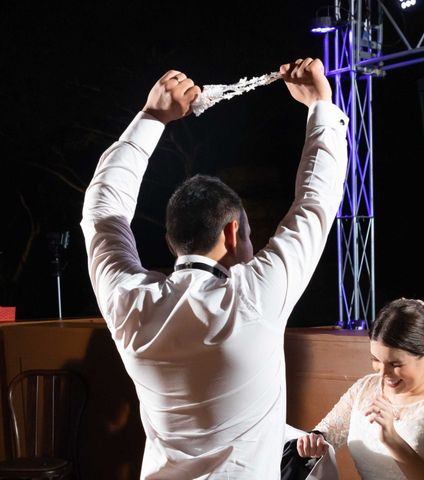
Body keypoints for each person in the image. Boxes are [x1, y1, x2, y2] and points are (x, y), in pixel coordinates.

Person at [80, 57, 348, 479]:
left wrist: (151, 118)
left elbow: (101, 211)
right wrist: (320, 105)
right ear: (232, 231)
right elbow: (316, 203)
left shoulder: (128, 301)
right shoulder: (255, 296)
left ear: (170, 241)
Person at [295, 298, 424, 480]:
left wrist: (393, 441)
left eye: (395, 364)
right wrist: (315, 441)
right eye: (375, 360)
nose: (383, 374)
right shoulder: (366, 388)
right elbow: (327, 432)